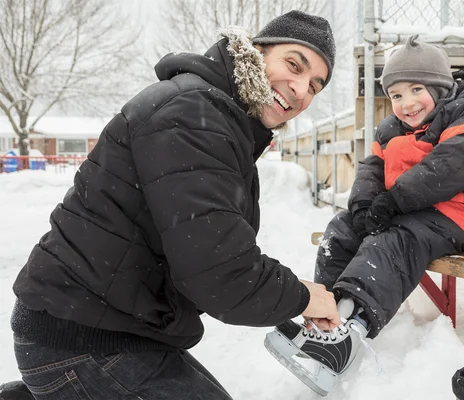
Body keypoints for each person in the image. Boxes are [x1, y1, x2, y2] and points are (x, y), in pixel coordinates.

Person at [3, 10, 341, 400]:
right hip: (82, 340)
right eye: (294, 65)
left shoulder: (218, 118)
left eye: (315, 85)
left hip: (111, 328)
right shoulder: (194, 115)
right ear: (256, 51)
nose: (300, 89)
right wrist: (302, 296)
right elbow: (220, 272)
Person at [265, 35, 464, 395]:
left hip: (456, 218)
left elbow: (452, 165)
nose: (406, 104)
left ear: (438, 86)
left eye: (416, 89)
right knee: (342, 230)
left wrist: (393, 202)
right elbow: (371, 170)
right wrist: (363, 206)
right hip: (411, 211)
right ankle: (325, 321)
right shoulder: (391, 128)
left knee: (393, 240)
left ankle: (351, 331)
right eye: (396, 95)